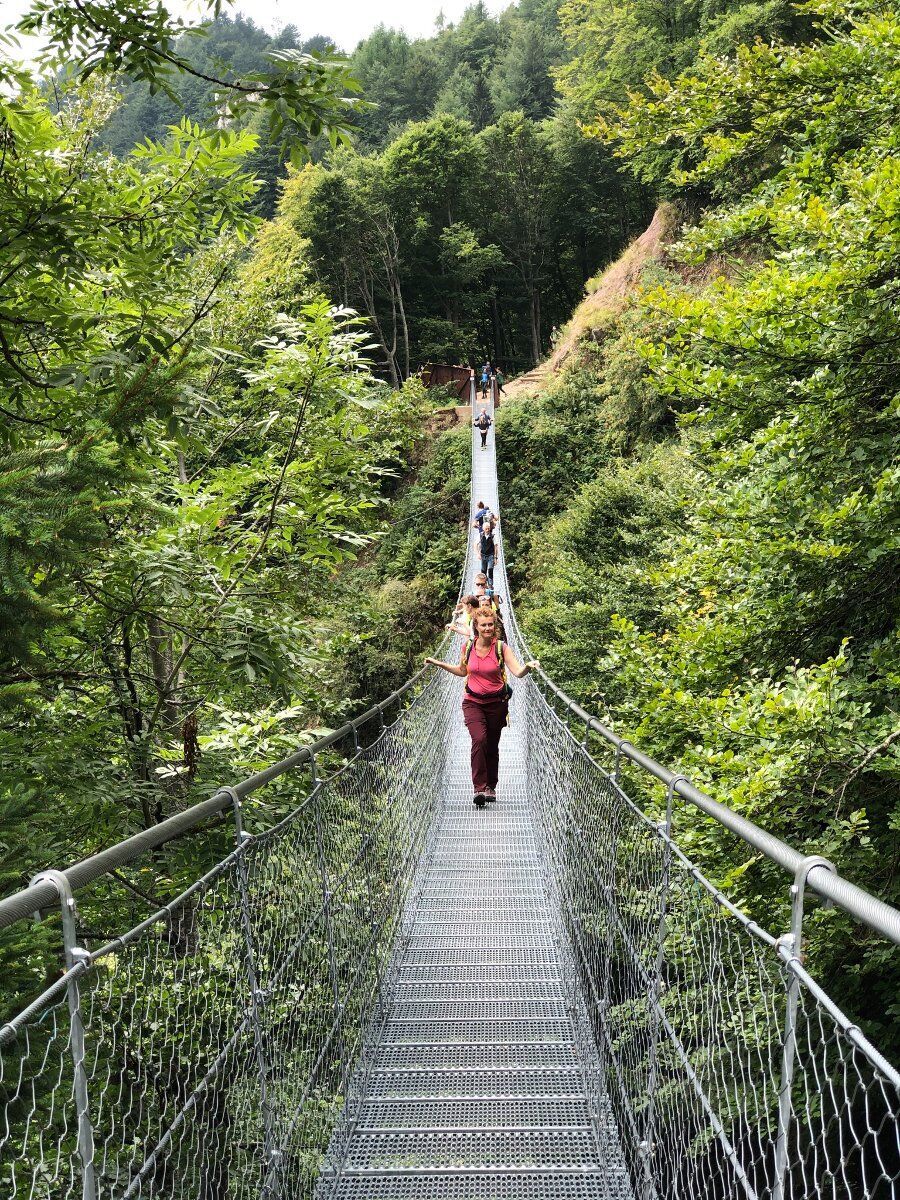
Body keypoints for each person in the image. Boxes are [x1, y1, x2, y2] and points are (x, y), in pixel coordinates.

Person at [426, 608, 538, 805]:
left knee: (492, 745)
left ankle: (490, 787)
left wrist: (528, 666)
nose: (487, 628)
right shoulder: (467, 647)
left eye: (490, 624)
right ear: (475, 627)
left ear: (494, 626)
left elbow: (518, 672)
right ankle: (479, 788)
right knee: (479, 739)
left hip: (497, 704)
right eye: (483, 625)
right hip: (473, 702)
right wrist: (438, 663)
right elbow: (462, 671)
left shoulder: (501, 648)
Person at [479, 517, 496, 583]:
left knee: (490, 569)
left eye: (488, 528)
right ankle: (483, 582)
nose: (487, 530)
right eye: (486, 529)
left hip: (490, 555)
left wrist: (495, 557)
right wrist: (478, 554)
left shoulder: (493, 536)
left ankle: (491, 584)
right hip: (483, 555)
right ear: (483, 529)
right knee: (483, 570)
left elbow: (496, 546)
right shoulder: (480, 535)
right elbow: (475, 544)